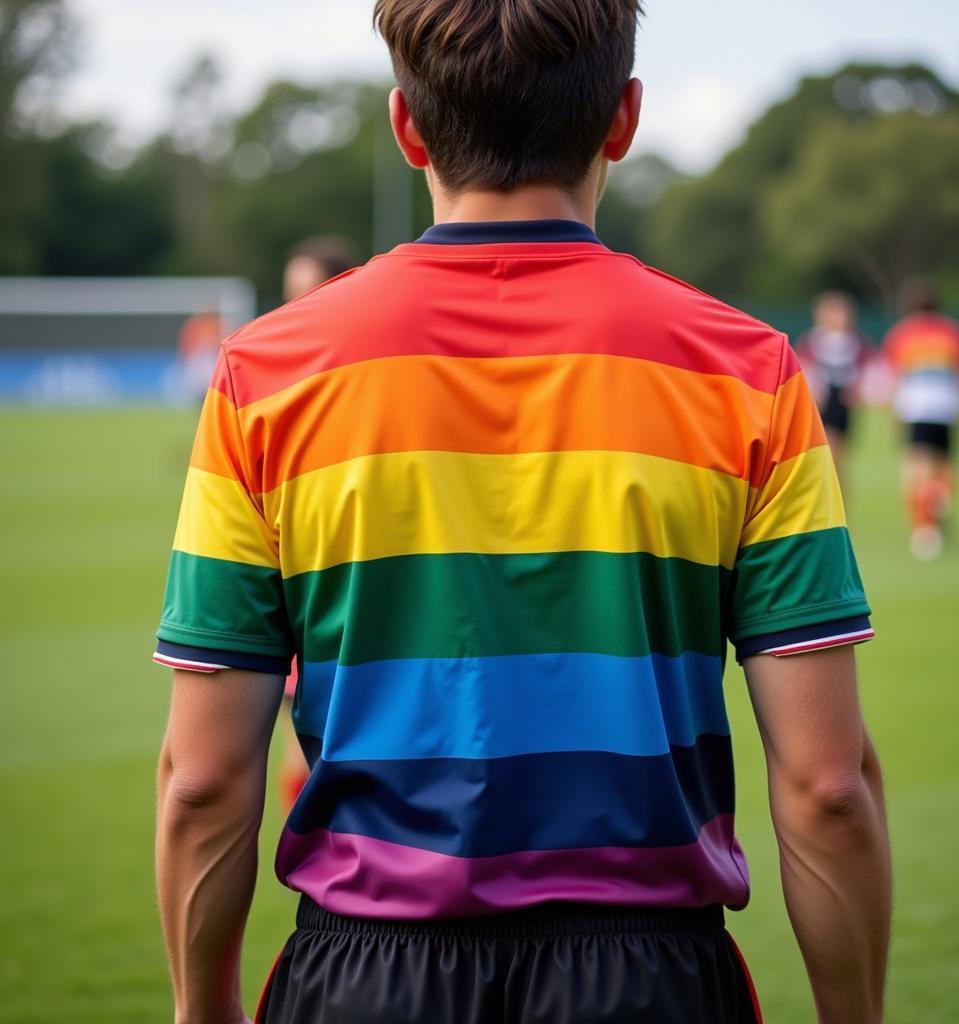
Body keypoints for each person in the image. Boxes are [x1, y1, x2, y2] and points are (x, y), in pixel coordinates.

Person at [153, 3, 891, 1023]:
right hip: (654, 984)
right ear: (622, 121)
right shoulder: (750, 373)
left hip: (362, 979)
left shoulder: (261, 377)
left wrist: (202, 1011)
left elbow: (200, 779)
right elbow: (826, 786)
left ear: (407, 126)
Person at [276, 235, 356, 812]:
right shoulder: (275, 388)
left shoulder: (364, 385)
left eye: (308, 294)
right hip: (298, 608)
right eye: (289, 296)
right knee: (298, 759)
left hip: (355, 617)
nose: (294, 308)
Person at [883, 278, 959, 560]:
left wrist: (892, 415)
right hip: (946, 407)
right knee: (943, 466)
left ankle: (924, 529)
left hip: (915, 408)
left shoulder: (901, 334)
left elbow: (894, 377)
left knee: (916, 469)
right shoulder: (954, 332)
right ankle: (939, 500)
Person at [796, 291, 872, 488]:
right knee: (827, 453)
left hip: (842, 401)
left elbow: (866, 369)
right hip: (822, 401)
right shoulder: (814, 340)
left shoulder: (855, 341)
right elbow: (804, 368)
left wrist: (859, 390)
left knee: (839, 458)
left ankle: (839, 504)